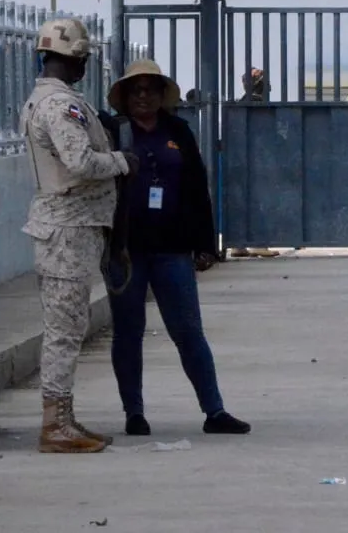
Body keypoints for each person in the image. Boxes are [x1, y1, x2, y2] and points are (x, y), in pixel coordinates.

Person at [104, 59, 252, 437]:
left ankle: (214, 410)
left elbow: (197, 188)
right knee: (128, 330)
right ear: (124, 96)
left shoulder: (178, 131)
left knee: (188, 330)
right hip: (125, 249)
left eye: (150, 88)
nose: (143, 96)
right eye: (135, 90)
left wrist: (205, 243)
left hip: (173, 248)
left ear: (161, 95)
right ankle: (134, 413)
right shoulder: (112, 131)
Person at [21, 17, 138, 454]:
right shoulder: (59, 106)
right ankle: (55, 423)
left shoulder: (48, 101)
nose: (82, 68)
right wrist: (123, 162)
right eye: (80, 60)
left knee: (69, 326)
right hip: (67, 228)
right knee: (65, 329)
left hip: (68, 227)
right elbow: (81, 163)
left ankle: (63, 417)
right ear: (67, 60)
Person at [226, 67, 279, 259]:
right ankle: (258, 243)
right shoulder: (258, 104)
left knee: (241, 201)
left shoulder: (242, 103)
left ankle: (239, 244)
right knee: (260, 201)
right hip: (256, 159)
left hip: (238, 159)